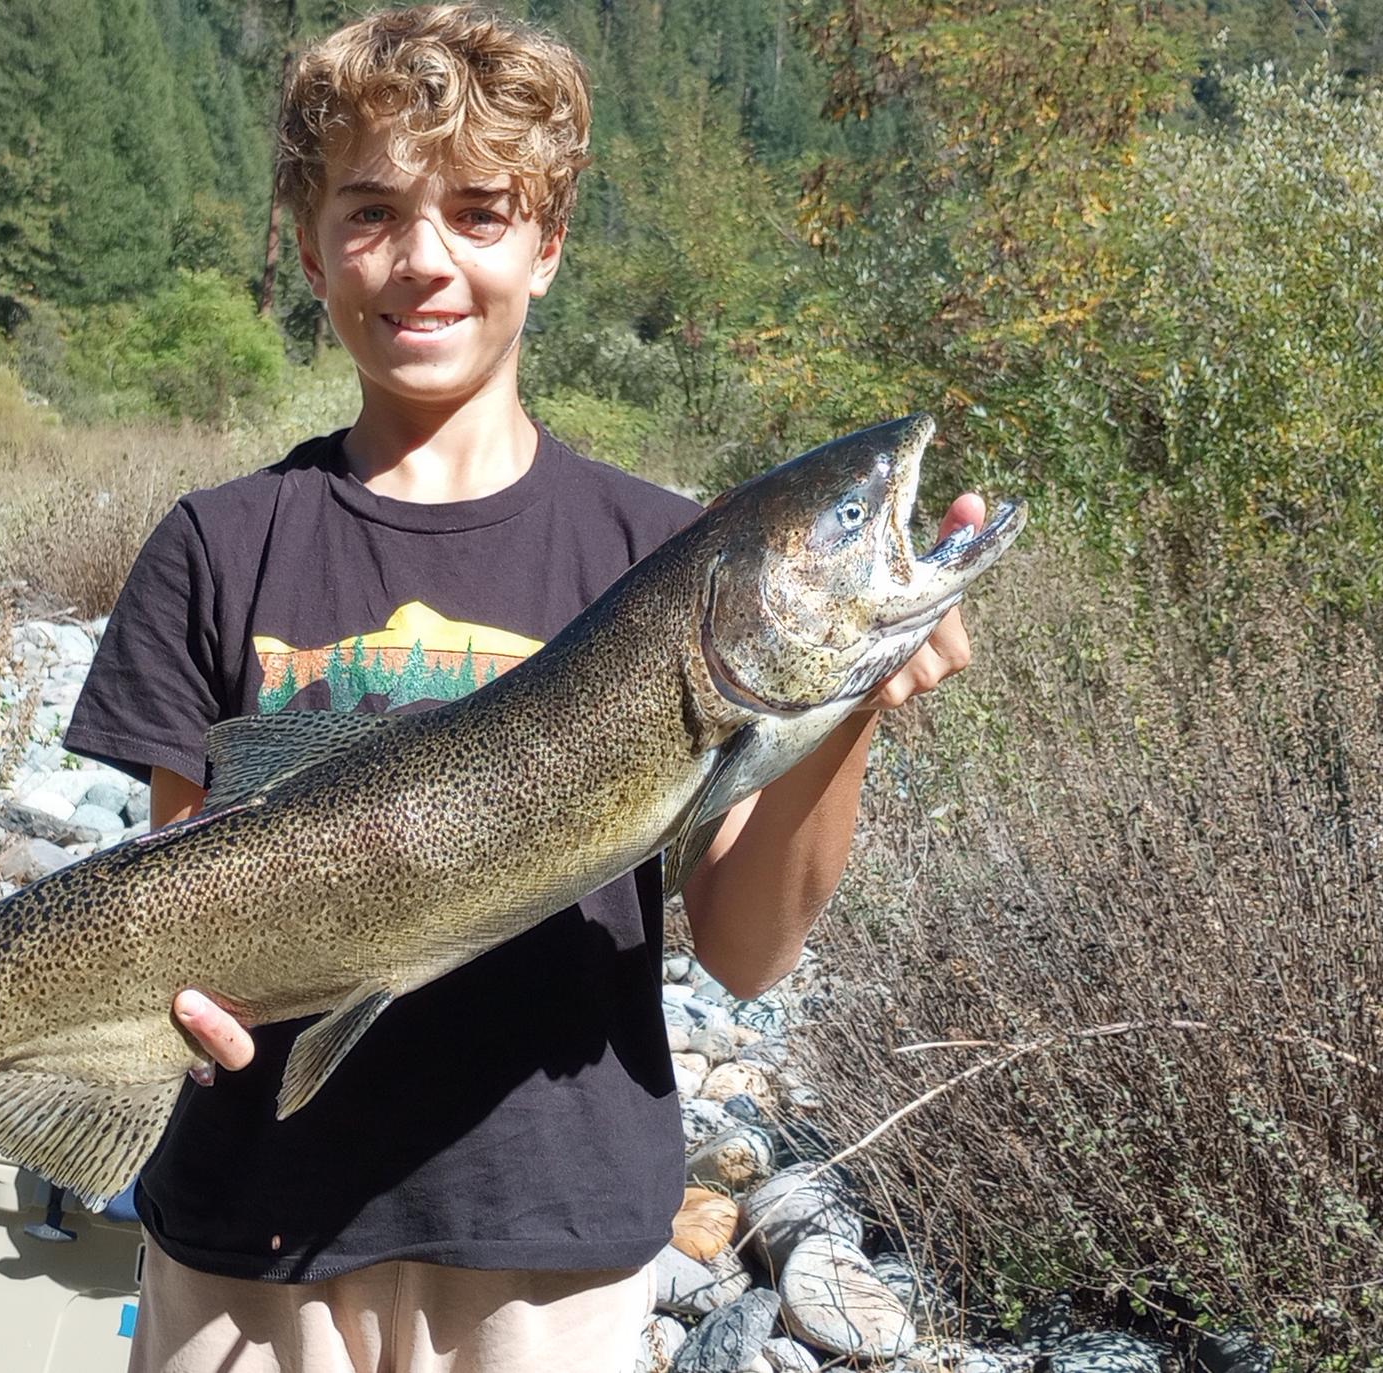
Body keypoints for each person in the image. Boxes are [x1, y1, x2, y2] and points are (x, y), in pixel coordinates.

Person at [61, 6, 983, 1370]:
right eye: (372, 213)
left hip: (549, 1247)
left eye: (480, 213)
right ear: (310, 248)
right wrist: (162, 1015)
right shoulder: (219, 542)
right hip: (249, 1232)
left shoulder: (658, 553)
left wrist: (848, 703)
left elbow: (744, 952)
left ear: (546, 246)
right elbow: (180, 881)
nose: (423, 258)